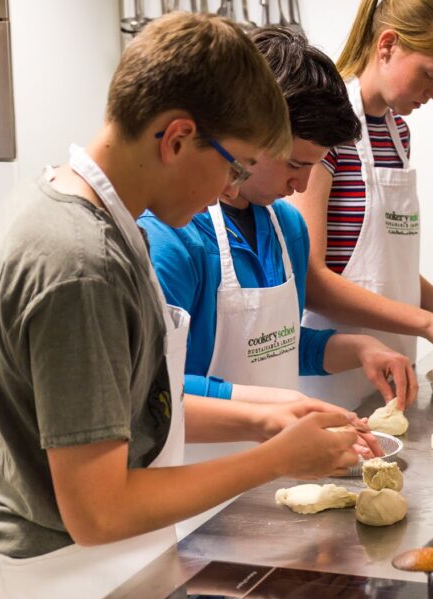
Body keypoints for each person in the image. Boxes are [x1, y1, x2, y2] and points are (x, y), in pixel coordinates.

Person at [0, 14, 367, 599]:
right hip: (56, 587)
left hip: (100, 573)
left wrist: (270, 417)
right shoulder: (78, 262)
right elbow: (98, 509)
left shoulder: (87, 220)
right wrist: (274, 458)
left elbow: (138, 410)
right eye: (236, 167)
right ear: (176, 138)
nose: (230, 192)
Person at [141, 27, 418, 409]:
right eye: (295, 164)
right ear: (252, 134)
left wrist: (358, 348)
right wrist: (274, 412)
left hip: (277, 464)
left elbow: (277, 347)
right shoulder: (173, 239)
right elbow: (155, 391)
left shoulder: (287, 228)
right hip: (197, 464)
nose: (302, 184)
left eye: (314, 167)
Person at [290, 0, 433, 410]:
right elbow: (312, 281)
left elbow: (389, 268)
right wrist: (430, 325)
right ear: (387, 45)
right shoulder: (324, 131)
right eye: (432, 75)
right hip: (329, 380)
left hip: (392, 369)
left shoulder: (398, 136)